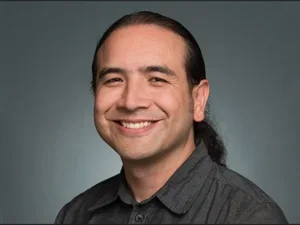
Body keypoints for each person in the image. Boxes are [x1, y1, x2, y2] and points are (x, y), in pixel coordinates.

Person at [54, 11, 288, 224]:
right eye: (114, 79)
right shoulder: (75, 215)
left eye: (157, 79)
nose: (131, 101)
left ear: (198, 100)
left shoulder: (251, 216)